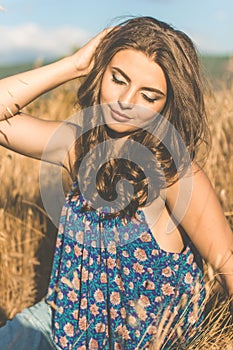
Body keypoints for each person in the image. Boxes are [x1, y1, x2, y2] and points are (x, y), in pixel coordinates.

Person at [0, 16, 232, 350]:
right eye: (118, 79)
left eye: (149, 96)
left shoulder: (174, 172)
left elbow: (226, 259)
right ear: (101, 72)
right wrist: (73, 65)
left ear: (168, 104)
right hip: (63, 325)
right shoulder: (77, 146)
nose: (126, 101)